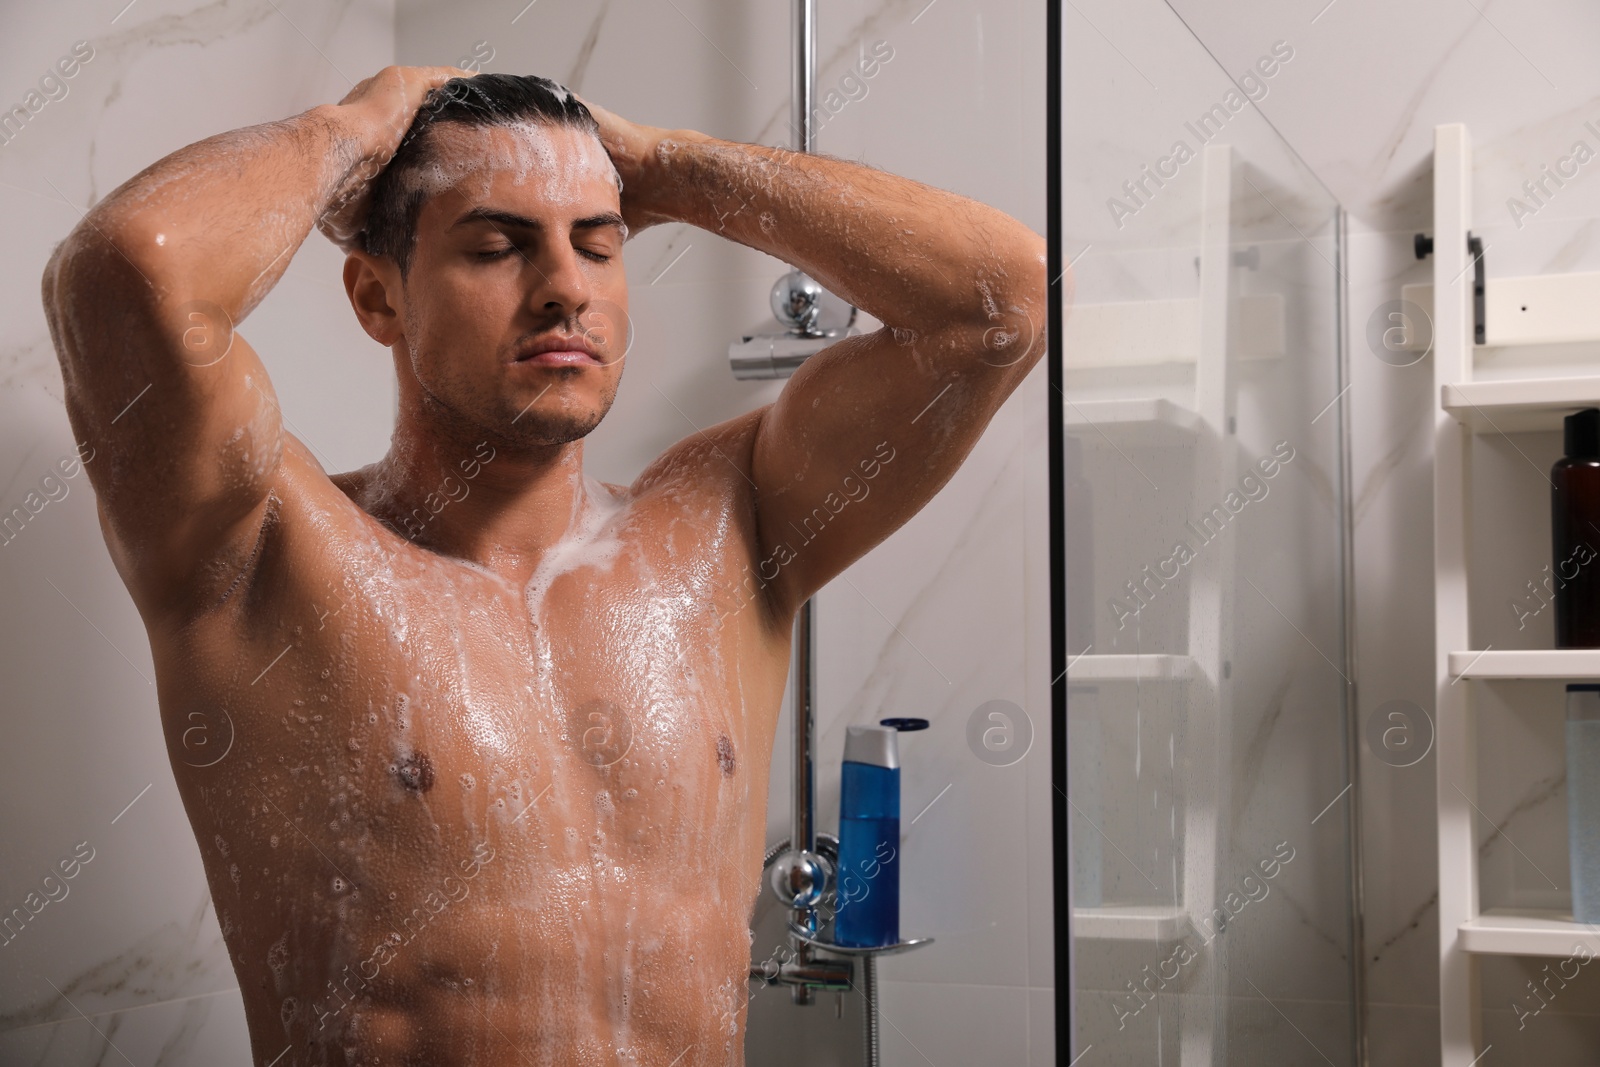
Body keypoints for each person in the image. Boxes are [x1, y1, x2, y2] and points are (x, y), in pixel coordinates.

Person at [42, 66, 1046, 1066]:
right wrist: (352, 130)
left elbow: (1000, 304)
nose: (566, 287)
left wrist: (666, 165)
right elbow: (126, 273)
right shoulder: (265, 547)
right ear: (377, 294)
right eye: (496, 246)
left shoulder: (729, 524)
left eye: (599, 246)